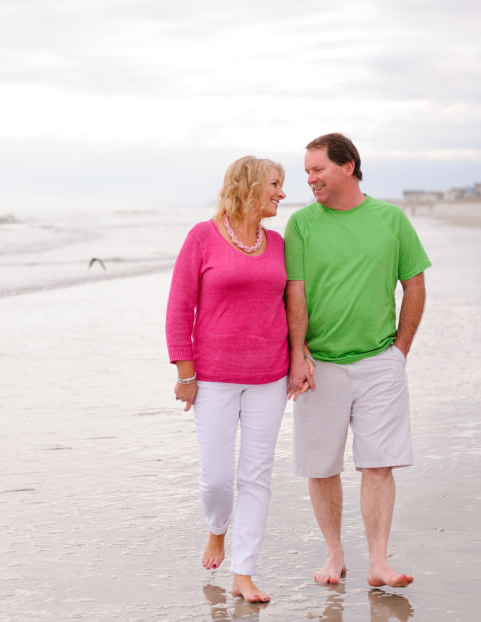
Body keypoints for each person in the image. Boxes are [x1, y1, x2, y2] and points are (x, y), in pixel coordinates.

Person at [285, 133, 431, 588]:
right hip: (319, 364)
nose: (309, 179)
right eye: (306, 170)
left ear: (348, 166)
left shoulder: (390, 219)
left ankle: (379, 562)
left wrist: (399, 351)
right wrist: (298, 354)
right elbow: (296, 295)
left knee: (378, 464)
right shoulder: (302, 225)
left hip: (380, 361)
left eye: (317, 169)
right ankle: (334, 554)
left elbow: (415, 285)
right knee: (321, 466)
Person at [166, 156, 293, 603]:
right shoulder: (202, 237)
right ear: (250, 185)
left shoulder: (278, 243)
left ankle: (245, 571)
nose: (281, 193)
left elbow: (293, 307)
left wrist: (300, 361)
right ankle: (217, 529)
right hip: (215, 377)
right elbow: (180, 307)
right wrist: (185, 373)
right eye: (275, 184)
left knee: (257, 476)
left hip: (270, 375)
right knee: (217, 479)